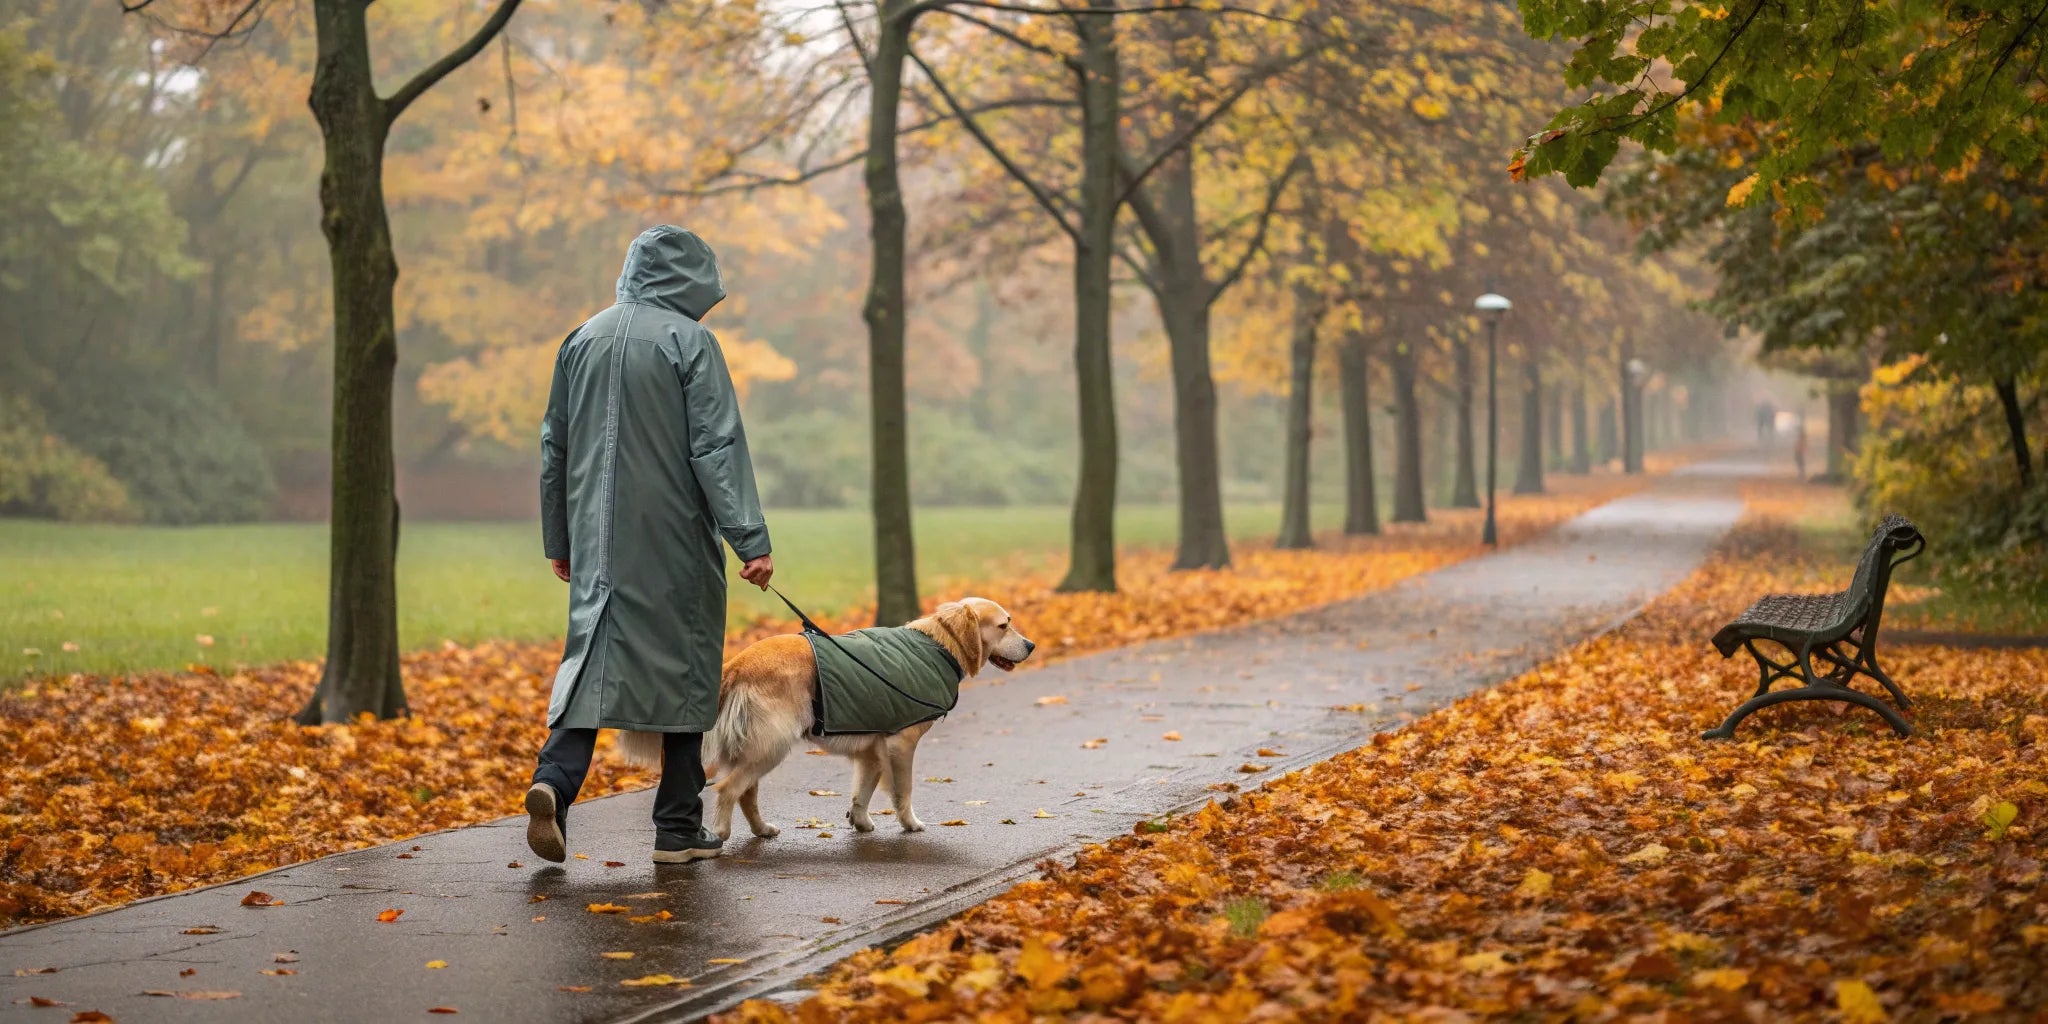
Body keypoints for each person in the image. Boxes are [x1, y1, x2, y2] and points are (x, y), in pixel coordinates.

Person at [526, 226, 774, 865]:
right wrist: (749, 539)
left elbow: (555, 445)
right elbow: (714, 447)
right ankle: (676, 829)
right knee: (685, 670)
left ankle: (553, 782)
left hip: (595, 538)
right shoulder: (691, 343)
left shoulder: (581, 338)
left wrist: (561, 535)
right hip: (672, 538)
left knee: (591, 662)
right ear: (690, 281)